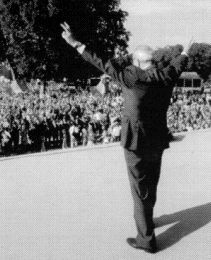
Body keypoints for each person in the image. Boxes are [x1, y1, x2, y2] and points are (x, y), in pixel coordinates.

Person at [61, 22, 191, 253]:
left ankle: (147, 240)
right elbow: (177, 64)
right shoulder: (166, 75)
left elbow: (102, 63)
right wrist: (185, 52)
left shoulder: (131, 76)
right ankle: (147, 221)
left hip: (135, 140)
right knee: (151, 184)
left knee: (139, 189)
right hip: (158, 138)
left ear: (138, 62)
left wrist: (76, 44)